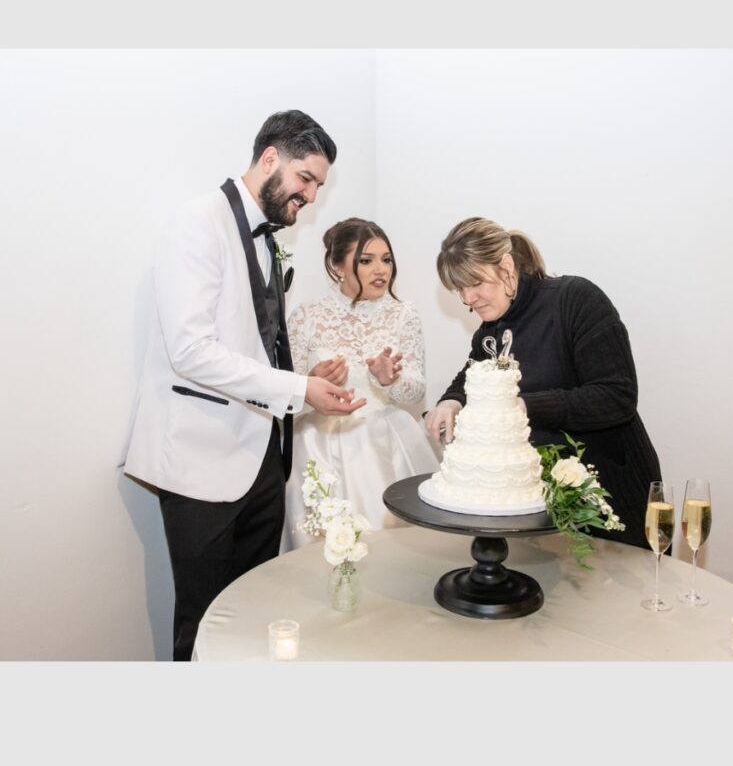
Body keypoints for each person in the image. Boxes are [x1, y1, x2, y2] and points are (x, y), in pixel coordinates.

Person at [123, 111, 364, 658]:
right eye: (306, 178)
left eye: (318, 186)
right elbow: (190, 351)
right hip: (200, 462)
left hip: (262, 460)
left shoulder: (268, 238)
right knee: (203, 626)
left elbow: (253, 344)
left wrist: (304, 383)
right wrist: (298, 391)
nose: (311, 196)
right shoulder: (198, 221)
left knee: (252, 616)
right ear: (270, 158)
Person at [424, 218, 660, 547]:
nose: (469, 298)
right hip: (540, 509)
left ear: (507, 266)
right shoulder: (491, 330)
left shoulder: (575, 300)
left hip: (612, 498)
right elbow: (471, 376)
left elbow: (616, 396)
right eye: (460, 289)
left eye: (475, 282)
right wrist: (451, 401)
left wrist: (523, 406)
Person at [283, 218, 436, 546]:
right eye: (366, 260)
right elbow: (285, 395)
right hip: (317, 447)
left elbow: (416, 391)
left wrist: (388, 380)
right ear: (338, 266)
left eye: (386, 259)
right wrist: (310, 383)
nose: (381, 270)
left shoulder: (403, 314)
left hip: (384, 440)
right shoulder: (306, 316)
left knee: (392, 546)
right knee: (321, 548)